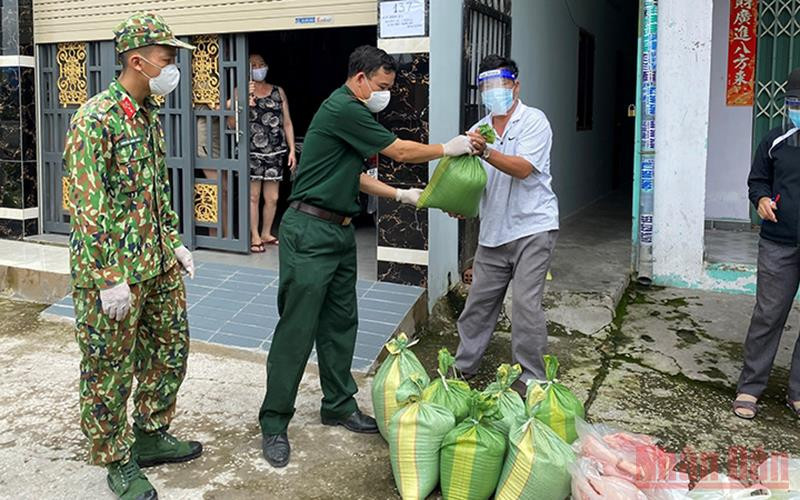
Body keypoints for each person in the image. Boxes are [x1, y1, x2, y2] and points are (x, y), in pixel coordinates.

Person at [258, 45, 477, 468]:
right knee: (298, 328)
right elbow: (400, 152)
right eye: (381, 86)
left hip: (338, 233)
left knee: (341, 322)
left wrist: (401, 194)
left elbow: (352, 175)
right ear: (360, 79)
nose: (385, 95)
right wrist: (450, 149)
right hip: (308, 231)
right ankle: (273, 421)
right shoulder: (343, 108)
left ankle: (338, 404)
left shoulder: (352, 115)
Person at [63, 12, 201, 500]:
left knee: (170, 350)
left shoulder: (148, 116)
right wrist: (105, 276)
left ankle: (150, 432)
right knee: (108, 369)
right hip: (115, 272)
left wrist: (174, 240)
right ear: (138, 62)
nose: (173, 69)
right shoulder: (95, 117)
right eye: (167, 59)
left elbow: (153, 192)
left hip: (157, 262)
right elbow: (85, 201)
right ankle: (117, 458)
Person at [453, 55, 559, 396]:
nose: (493, 92)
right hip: (494, 232)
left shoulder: (534, 121)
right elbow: (478, 182)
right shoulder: (480, 129)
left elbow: (523, 168)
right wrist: (462, 204)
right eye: (486, 87)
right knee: (478, 305)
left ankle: (532, 378)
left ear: (516, 85)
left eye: (500, 86)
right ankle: (462, 368)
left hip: (533, 227)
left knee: (526, 307)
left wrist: (485, 152)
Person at [735, 68, 800, 420]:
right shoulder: (775, 140)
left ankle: (798, 393)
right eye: (793, 103)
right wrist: (760, 200)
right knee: (768, 315)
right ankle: (750, 387)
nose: (797, 109)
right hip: (779, 242)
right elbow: (757, 180)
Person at [247, 53, 296, 252]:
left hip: (275, 151)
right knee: (253, 196)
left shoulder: (278, 91)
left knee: (273, 197)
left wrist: (292, 150)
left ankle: (266, 232)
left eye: (261, 64)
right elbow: (231, 123)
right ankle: (254, 235)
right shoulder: (240, 91)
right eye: (253, 65)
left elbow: (287, 122)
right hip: (252, 152)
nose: (258, 68)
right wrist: (244, 100)